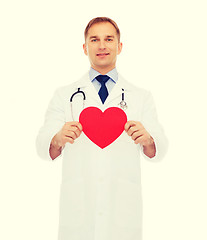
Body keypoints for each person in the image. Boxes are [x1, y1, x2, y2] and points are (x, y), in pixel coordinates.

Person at [36, 17, 168, 240]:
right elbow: (42, 144)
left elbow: (160, 148)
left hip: (122, 208)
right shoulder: (64, 94)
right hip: (79, 207)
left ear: (120, 46)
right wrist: (57, 138)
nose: (102, 45)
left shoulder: (141, 96)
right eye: (94, 39)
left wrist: (149, 139)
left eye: (109, 39)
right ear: (85, 47)